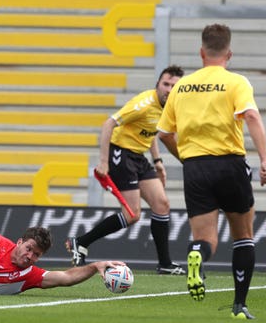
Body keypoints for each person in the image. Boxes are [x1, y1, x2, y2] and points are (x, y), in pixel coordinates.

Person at [157, 24, 266, 320]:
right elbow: (250, 116)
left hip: (195, 167)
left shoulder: (182, 86)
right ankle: (238, 306)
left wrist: (185, 158)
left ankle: (197, 254)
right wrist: (264, 160)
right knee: (243, 235)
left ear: (201, 52)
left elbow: (164, 133)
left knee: (205, 238)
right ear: (229, 53)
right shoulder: (235, 82)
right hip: (229, 163)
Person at [65, 65, 185, 275]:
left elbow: (150, 131)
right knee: (132, 215)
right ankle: (81, 242)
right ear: (157, 84)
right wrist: (103, 162)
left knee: (162, 204)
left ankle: (165, 264)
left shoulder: (170, 107)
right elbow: (108, 124)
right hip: (120, 154)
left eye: (174, 86)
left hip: (138, 156)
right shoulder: (143, 103)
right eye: (165, 84)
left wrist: (158, 162)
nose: (168, 89)